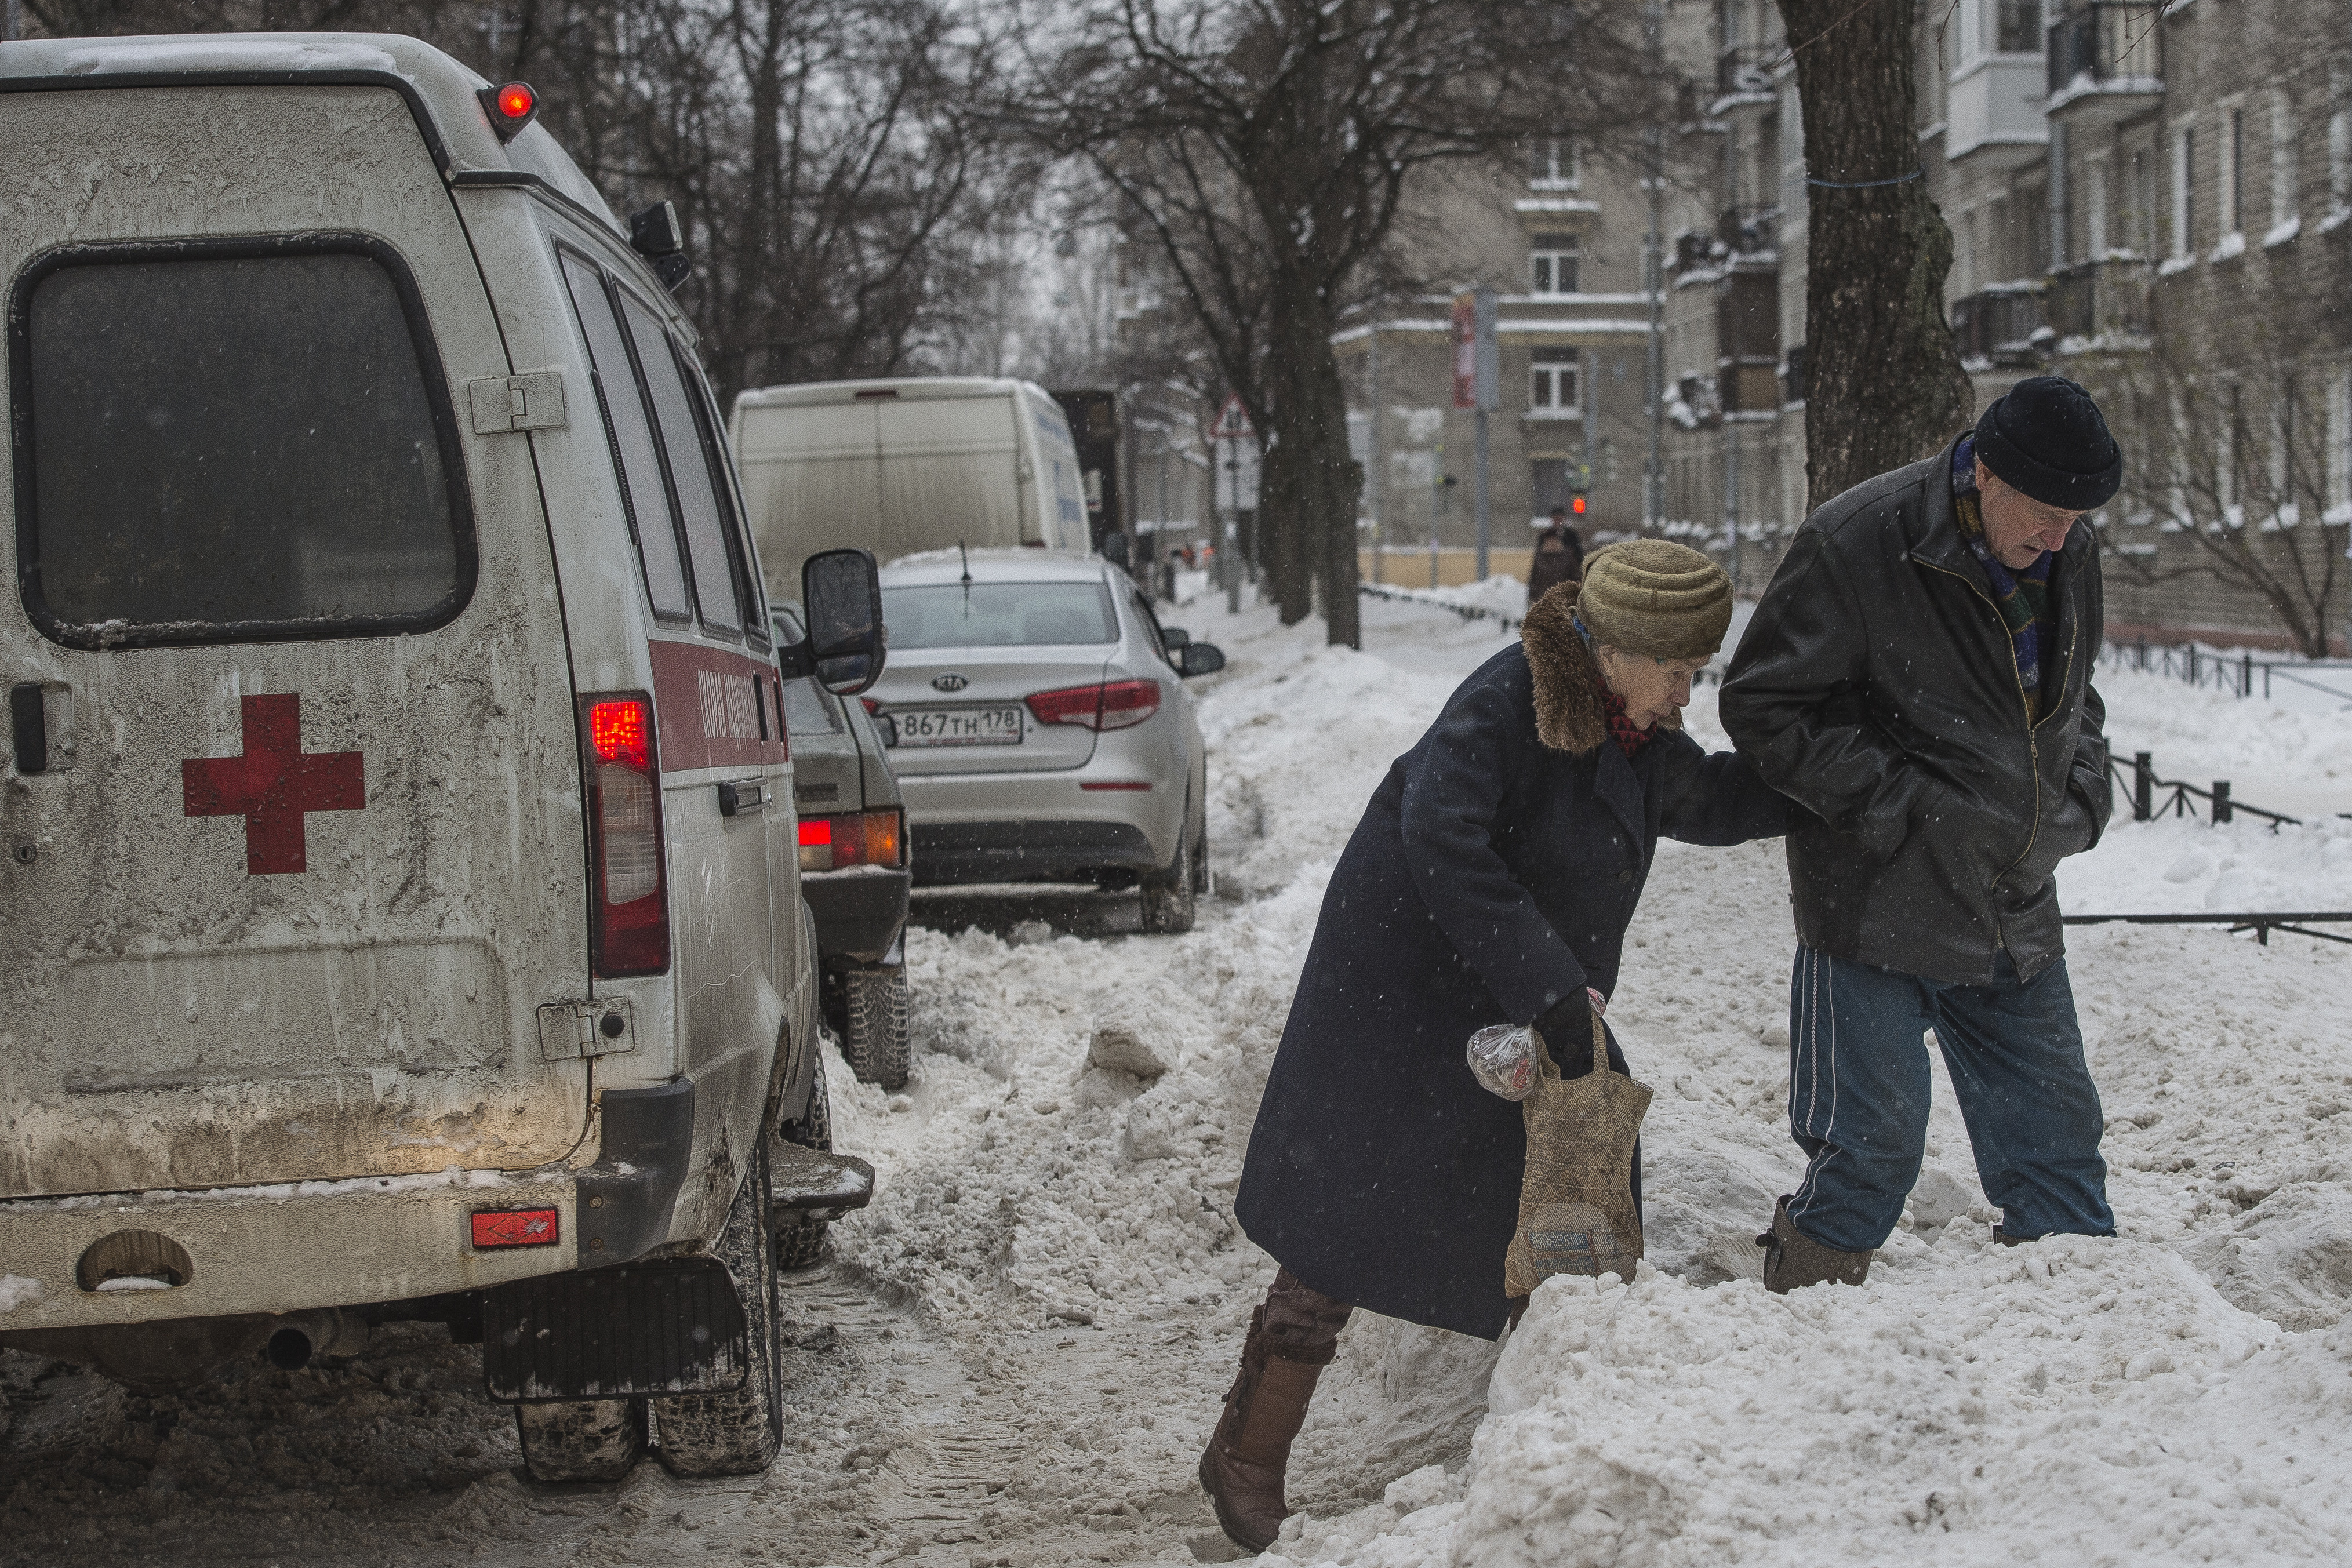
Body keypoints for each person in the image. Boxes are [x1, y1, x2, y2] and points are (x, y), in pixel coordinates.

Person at [1201, 541, 1793, 1552]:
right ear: (1615, 652)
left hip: (1517, 993)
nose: (1688, 694)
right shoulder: (1504, 702)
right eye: (1680, 671)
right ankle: (1249, 1454)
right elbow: (1441, 837)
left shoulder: (1627, 725)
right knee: (1347, 1215)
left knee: (1580, 1195)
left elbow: (1706, 800)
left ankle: (1556, 1436)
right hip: (1406, 994)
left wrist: (1817, 788)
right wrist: (1553, 990)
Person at [1718, 374, 2123, 1294]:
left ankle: (2080, 1375)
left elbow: (2070, 697)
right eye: (2049, 513)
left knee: (2058, 1152)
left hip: (2011, 903)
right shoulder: (1861, 539)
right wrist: (1904, 811)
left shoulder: (2067, 547)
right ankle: (1794, 1346)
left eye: (2080, 516)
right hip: (1876, 903)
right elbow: (1765, 704)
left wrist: (2081, 795)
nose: (2063, 536)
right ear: (1984, 471)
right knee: (1870, 1151)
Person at [1525, 507, 1584, 607]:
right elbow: (1535, 574)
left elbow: (1578, 562)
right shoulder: (1545, 536)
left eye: (1560, 518)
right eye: (1555, 518)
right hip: (1544, 594)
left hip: (1563, 594)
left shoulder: (1571, 537)